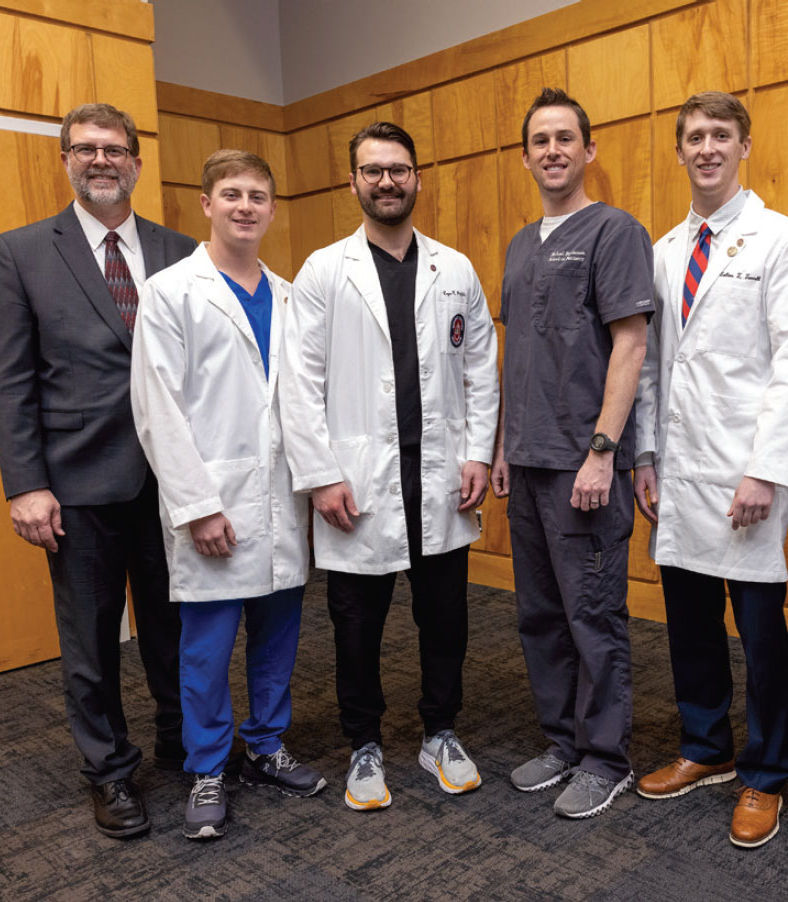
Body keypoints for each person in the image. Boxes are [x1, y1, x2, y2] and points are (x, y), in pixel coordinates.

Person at [0, 103, 195, 838]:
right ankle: (109, 772)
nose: (101, 160)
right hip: (76, 485)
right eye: (86, 149)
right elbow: (10, 378)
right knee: (93, 641)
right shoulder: (21, 252)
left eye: (115, 149)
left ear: (136, 161)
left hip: (173, 484)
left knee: (177, 626)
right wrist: (24, 483)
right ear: (66, 160)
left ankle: (185, 745)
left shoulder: (181, 249)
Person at [281, 122, 498, 812]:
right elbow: (298, 379)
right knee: (355, 629)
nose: (385, 181)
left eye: (398, 169)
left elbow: (482, 368)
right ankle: (364, 744)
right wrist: (319, 474)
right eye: (372, 171)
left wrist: (476, 453)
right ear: (353, 182)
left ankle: (440, 731)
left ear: (416, 178)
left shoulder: (454, 268)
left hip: (438, 479)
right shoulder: (324, 270)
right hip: (358, 482)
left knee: (445, 622)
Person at [632, 91, 788, 848]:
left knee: (758, 631)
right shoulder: (663, 249)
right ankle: (704, 747)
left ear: (744, 145)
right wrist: (644, 453)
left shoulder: (782, 240)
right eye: (693, 138)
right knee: (688, 623)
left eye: (720, 135)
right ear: (677, 152)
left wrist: (765, 472)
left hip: (744, 473)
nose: (706, 148)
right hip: (678, 472)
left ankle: (765, 771)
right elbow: (648, 365)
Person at [130, 149, 324, 841]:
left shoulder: (293, 295)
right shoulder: (171, 291)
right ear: (205, 204)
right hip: (211, 503)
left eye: (257, 196)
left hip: (280, 500)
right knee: (207, 648)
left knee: (277, 637)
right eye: (231, 194)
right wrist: (198, 506)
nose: (245, 206)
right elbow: (157, 408)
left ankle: (266, 748)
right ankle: (208, 764)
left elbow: (304, 404)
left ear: (272, 209)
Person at [490, 88, 651, 819]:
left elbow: (630, 343)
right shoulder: (523, 243)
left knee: (592, 615)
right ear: (526, 156)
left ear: (588, 150)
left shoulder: (614, 231)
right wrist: (499, 444)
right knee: (540, 615)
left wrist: (600, 452)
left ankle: (605, 756)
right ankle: (562, 740)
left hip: (581, 464)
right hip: (526, 462)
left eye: (564, 138)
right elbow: (515, 352)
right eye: (539, 140)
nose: (551, 150)